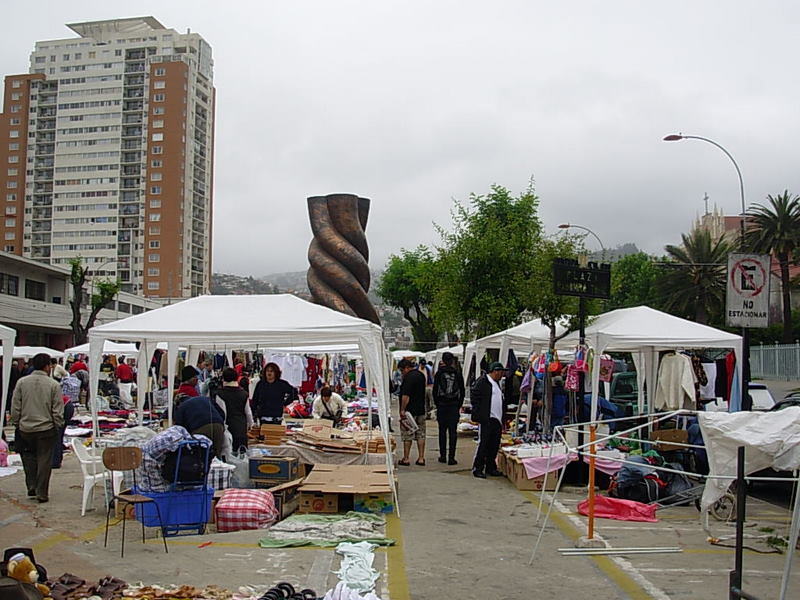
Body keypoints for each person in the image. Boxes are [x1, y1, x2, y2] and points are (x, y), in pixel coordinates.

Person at [9, 353, 63, 502]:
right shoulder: (53, 385)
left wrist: (16, 422)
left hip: (25, 427)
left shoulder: (22, 382)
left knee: (28, 457)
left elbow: (15, 406)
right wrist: (58, 424)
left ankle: (31, 485)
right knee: (44, 460)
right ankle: (42, 492)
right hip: (46, 428)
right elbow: (57, 409)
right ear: (47, 366)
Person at [470, 362, 507, 479]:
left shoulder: (496, 383)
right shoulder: (483, 381)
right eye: (501, 372)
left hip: (497, 419)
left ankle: (491, 467)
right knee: (484, 444)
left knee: (494, 444)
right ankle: (478, 467)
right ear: (495, 371)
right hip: (487, 418)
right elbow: (475, 397)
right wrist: (479, 414)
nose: (502, 374)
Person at [432, 351, 465, 465]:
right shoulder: (457, 373)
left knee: (442, 431)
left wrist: (437, 404)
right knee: (453, 432)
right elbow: (462, 391)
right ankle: (452, 457)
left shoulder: (439, 374)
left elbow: (435, 391)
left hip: (442, 405)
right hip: (453, 405)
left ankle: (442, 455)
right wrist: (458, 404)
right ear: (452, 361)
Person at [174, 394, 226, 458]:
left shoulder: (182, 406)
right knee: (217, 454)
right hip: (218, 425)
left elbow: (179, 427)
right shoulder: (205, 398)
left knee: (201, 455)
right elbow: (222, 413)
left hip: (200, 428)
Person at [213, 367, 252, 451]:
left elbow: (222, 413)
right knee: (242, 456)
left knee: (228, 457)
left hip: (227, 429)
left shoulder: (220, 394)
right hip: (241, 428)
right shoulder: (244, 393)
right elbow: (248, 412)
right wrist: (251, 426)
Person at [398, 359, 427, 466]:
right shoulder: (421, 375)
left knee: (407, 435)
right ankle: (421, 458)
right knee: (421, 434)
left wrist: (402, 409)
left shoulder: (408, 378)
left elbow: (406, 396)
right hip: (421, 410)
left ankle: (406, 458)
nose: (402, 373)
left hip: (410, 412)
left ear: (406, 368)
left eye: (402, 370)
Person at [51, 395, 75, 469]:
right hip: (67, 405)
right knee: (59, 436)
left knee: (56, 436)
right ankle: (57, 460)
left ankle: (55, 462)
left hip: (65, 407)